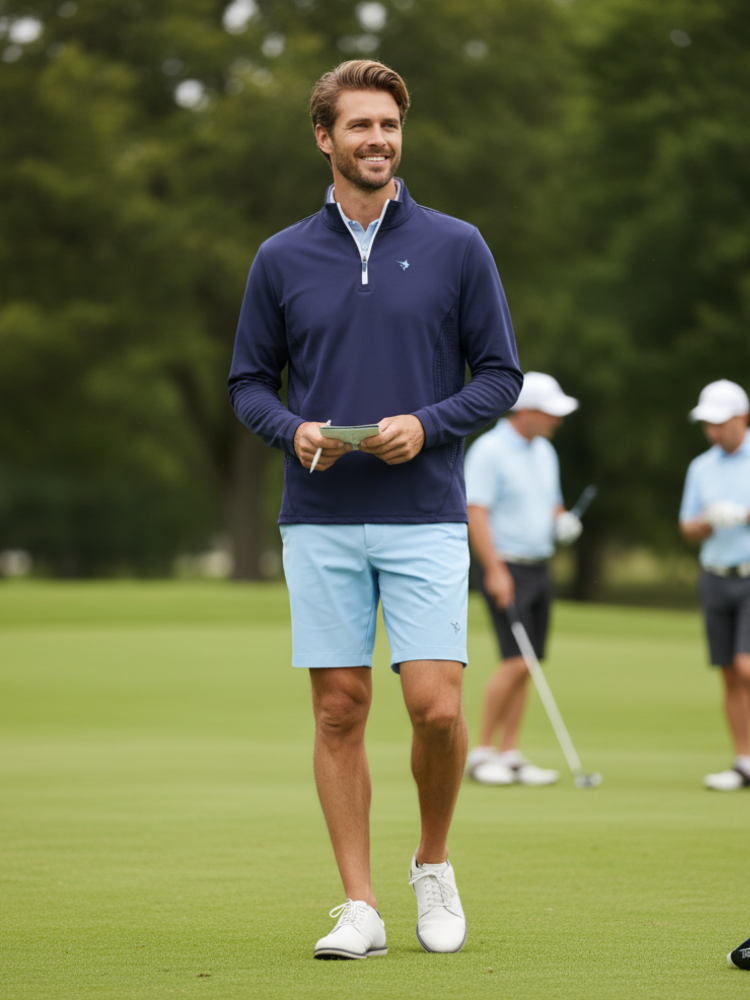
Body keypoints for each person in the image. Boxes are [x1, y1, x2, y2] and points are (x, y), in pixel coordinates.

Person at [227, 60, 523, 958]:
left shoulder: (458, 245)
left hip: (425, 510)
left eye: (389, 125)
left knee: (435, 708)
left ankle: (432, 863)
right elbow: (248, 383)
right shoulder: (281, 257)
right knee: (339, 709)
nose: (378, 140)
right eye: (359, 125)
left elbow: (499, 375)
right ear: (325, 138)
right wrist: (293, 430)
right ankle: (359, 904)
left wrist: (427, 425)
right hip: (319, 516)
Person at [463, 372, 581, 786]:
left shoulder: (545, 451)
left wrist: (562, 522)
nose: (557, 420)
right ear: (526, 411)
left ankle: (509, 753)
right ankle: (481, 753)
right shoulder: (490, 450)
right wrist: (494, 570)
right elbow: (476, 512)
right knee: (515, 661)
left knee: (528, 663)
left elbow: (552, 504)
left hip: (539, 565)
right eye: (550, 413)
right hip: (505, 567)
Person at [679, 379, 750, 792]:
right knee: (728, 672)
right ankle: (743, 761)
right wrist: (708, 522)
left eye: (720, 423)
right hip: (715, 577)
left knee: (746, 665)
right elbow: (687, 526)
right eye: (708, 424)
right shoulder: (701, 467)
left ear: (742, 418)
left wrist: (742, 515)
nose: (713, 431)